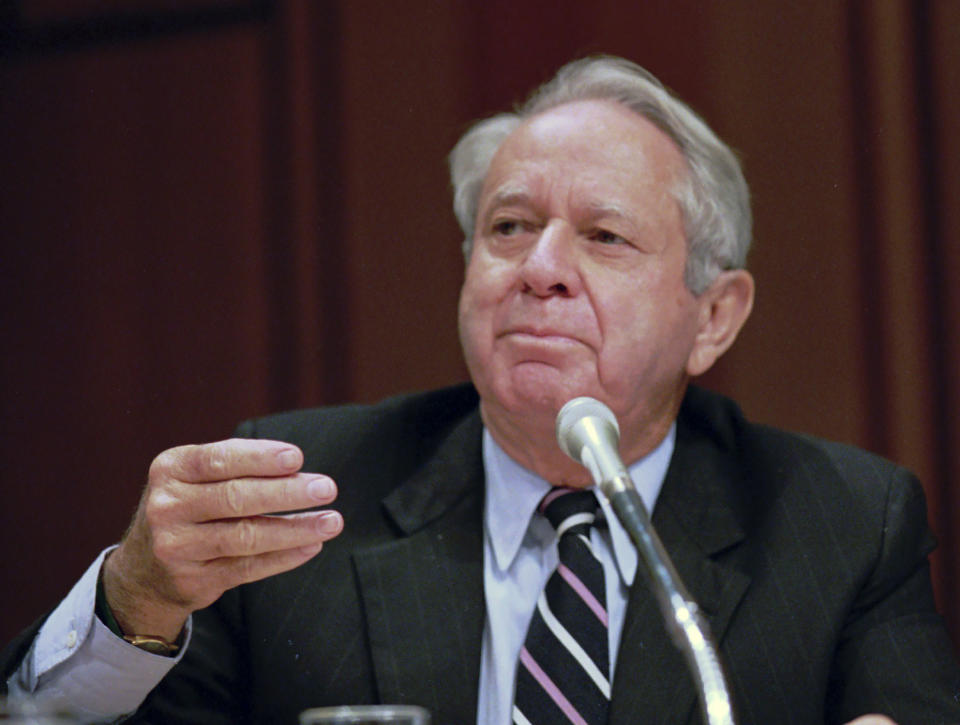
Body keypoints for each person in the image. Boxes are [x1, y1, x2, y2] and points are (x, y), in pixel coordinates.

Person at [3, 56, 959, 725]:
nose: (540, 267)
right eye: (509, 226)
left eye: (604, 237)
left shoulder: (840, 525)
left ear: (714, 316)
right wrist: (135, 600)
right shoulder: (301, 501)